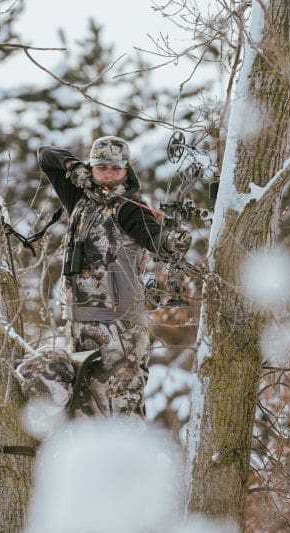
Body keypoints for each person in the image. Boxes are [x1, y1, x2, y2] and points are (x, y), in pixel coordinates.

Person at [18, 136, 191, 418]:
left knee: (121, 408)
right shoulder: (78, 197)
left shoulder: (131, 208)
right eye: (101, 168)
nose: (108, 174)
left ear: (126, 170)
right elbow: (45, 155)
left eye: (115, 168)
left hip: (120, 329)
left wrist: (173, 243)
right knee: (84, 411)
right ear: (91, 168)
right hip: (79, 325)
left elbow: (156, 239)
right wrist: (74, 168)